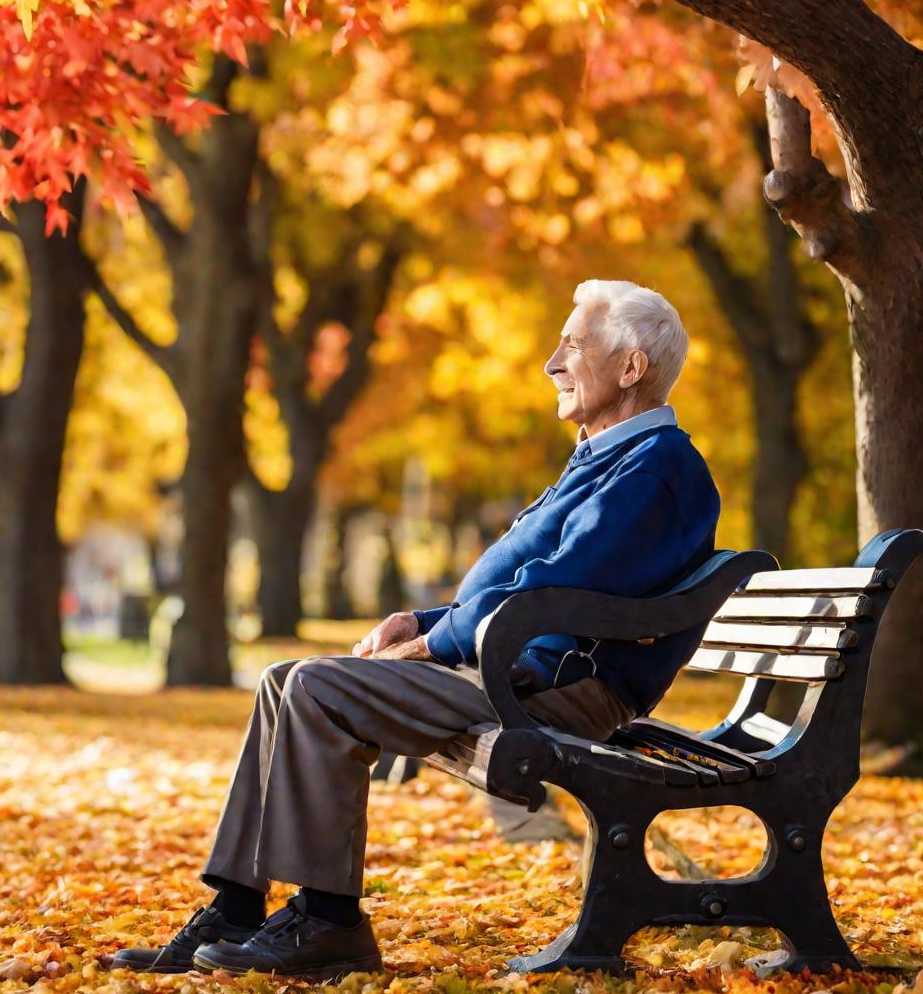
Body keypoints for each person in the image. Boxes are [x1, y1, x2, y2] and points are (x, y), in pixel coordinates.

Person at [112, 279, 721, 981]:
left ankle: (330, 921)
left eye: (572, 345)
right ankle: (237, 908)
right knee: (285, 681)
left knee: (316, 688)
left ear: (630, 368)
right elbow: (528, 587)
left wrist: (435, 641)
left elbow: (557, 592)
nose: (552, 364)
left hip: (553, 687)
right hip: (510, 666)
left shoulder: (657, 470)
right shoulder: (607, 458)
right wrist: (421, 622)